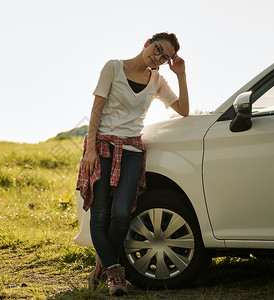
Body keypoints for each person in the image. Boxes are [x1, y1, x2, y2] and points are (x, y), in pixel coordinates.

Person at [76, 32, 189, 296]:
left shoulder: (158, 81)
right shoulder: (113, 67)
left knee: (123, 214)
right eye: (158, 49)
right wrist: (90, 150)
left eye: (165, 57)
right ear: (148, 42)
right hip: (102, 146)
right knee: (101, 214)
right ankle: (116, 274)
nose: (158, 57)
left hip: (132, 150)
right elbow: (97, 109)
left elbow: (183, 109)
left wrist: (181, 74)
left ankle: (102, 264)